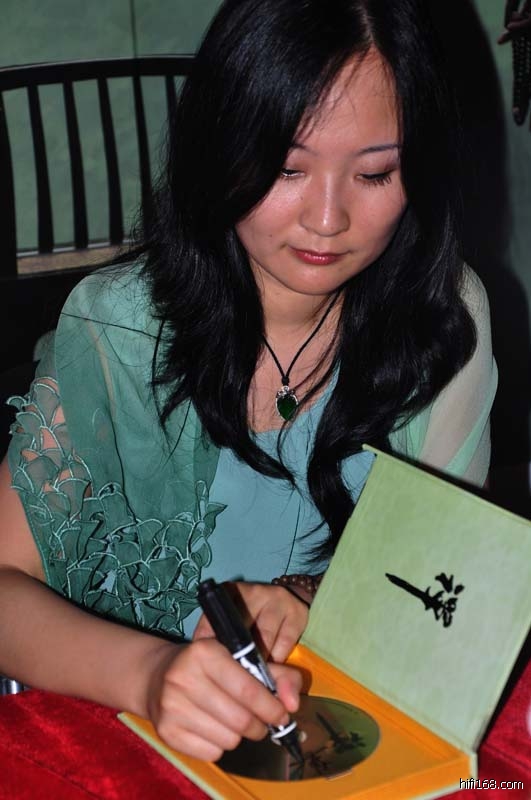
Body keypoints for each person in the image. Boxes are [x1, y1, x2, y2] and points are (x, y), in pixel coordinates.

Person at [0, 0, 496, 763]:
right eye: (287, 168)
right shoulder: (119, 325)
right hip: (132, 749)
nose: (326, 219)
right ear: (219, 148)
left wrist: (310, 597)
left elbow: (455, 583)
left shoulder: (445, 316)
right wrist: (150, 675)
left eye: (374, 172)